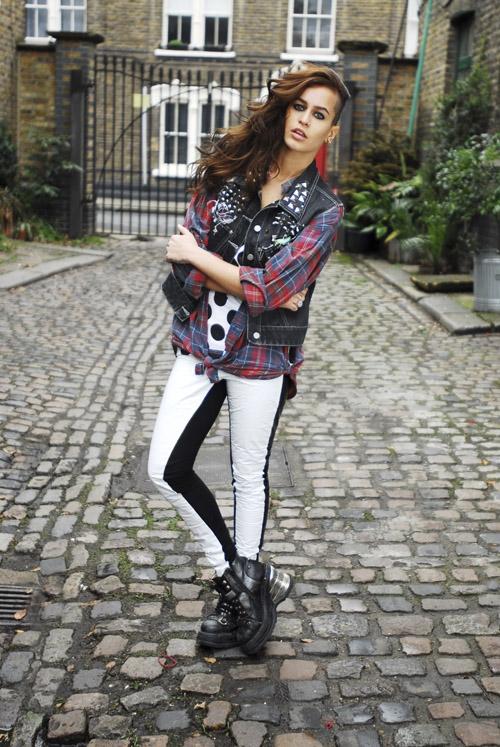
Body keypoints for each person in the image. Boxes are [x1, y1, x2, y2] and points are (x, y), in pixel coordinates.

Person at [148, 63, 350, 655]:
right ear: (285, 109)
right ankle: (240, 582)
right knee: (164, 468)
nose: (305, 120)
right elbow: (187, 262)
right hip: (200, 345)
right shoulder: (227, 173)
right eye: (300, 107)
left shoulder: (323, 211)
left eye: (319, 115)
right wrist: (253, 283)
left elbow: (268, 286)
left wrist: (216, 263)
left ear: (330, 131)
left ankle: (240, 595)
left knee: (247, 474)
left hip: (262, 358)